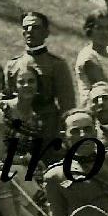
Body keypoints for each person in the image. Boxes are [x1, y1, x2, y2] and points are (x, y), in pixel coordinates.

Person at [5, 11, 75, 145]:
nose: (29, 31)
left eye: (35, 27)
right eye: (25, 28)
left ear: (46, 33)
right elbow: (6, 99)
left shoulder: (56, 64)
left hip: (47, 126)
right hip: (17, 126)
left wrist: (63, 133)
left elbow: (67, 105)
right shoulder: (12, 65)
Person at [75, 10, 108, 103]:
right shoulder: (88, 57)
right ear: (90, 30)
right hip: (97, 106)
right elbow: (106, 90)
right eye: (99, 28)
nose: (104, 33)